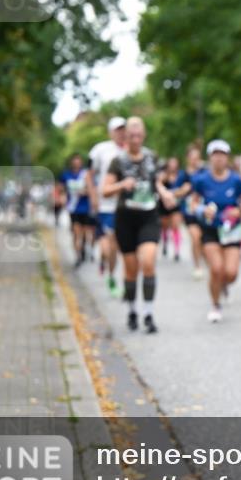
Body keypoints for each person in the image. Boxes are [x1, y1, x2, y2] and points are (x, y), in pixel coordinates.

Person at [101, 117, 175, 333]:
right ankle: (132, 310)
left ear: (143, 135)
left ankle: (149, 314)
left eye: (138, 134)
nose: (135, 138)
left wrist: (165, 193)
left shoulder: (152, 157)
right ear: (126, 138)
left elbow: (156, 182)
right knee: (131, 269)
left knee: (149, 262)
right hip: (126, 218)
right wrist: (122, 184)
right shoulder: (118, 161)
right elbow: (105, 190)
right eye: (130, 135)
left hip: (149, 216)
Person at [190, 140, 241, 323]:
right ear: (210, 157)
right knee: (216, 269)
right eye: (215, 155)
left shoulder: (236, 180)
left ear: (227, 157)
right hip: (210, 229)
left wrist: (240, 210)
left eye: (222, 155)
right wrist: (202, 210)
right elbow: (193, 203)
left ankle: (223, 285)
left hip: (231, 230)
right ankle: (215, 305)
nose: (219, 158)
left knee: (230, 273)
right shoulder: (201, 180)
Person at [89, 117, 127, 297]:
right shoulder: (100, 150)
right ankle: (104, 261)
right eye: (117, 129)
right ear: (110, 132)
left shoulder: (131, 150)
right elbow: (89, 174)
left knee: (116, 246)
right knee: (108, 245)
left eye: (123, 129)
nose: (121, 132)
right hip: (105, 206)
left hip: (125, 206)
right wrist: (93, 196)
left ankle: (111, 275)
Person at [59, 153, 95, 267]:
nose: (76, 162)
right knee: (76, 232)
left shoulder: (86, 175)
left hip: (85, 208)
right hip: (73, 208)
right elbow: (61, 188)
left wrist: (85, 192)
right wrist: (62, 197)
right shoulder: (66, 175)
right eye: (74, 160)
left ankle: (84, 248)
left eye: (78, 160)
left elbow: (93, 189)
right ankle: (78, 255)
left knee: (85, 233)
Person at [177, 144, 206, 279]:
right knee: (195, 237)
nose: (195, 160)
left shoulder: (204, 173)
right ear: (187, 158)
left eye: (197, 158)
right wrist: (183, 190)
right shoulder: (183, 175)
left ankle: (205, 260)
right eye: (192, 158)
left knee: (203, 240)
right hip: (189, 212)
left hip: (204, 211)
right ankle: (197, 266)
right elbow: (174, 192)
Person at [157, 156, 184, 262]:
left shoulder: (181, 175)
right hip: (163, 205)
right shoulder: (163, 175)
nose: (173, 165)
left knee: (175, 227)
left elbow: (186, 188)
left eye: (175, 163)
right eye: (171, 163)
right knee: (164, 227)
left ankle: (177, 251)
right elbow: (158, 185)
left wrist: (176, 193)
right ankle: (165, 243)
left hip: (176, 205)